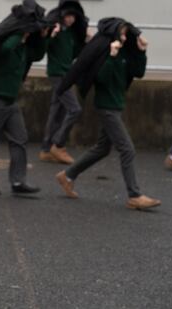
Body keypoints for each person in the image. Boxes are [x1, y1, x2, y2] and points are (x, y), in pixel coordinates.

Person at [55, 17, 160, 210]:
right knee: (127, 149)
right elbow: (101, 78)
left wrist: (142, 51)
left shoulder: (125, 53)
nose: (124, 36)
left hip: (116, 106)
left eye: (126, 33)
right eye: (121, 33)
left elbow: (138, 72)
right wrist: (111, 56)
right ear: (113, 33)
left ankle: (67, 175)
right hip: (106, 107)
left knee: (103, 148)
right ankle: (134, 195)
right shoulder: (106, 52)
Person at [0, 0, 51, 196]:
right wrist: (21, 32)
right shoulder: (3, 49)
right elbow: (7, 47)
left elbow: (39, 54)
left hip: (10, 102)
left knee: (19, 140)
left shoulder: (24, 50)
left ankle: (18, 181)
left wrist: (43, 36)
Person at [39, 0, 89, 165]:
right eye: (68, 16)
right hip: (57, 74)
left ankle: (46, 149)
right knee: (74, 109)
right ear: (62, 15)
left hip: (67, 74)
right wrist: (51, 36)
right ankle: (58, 145)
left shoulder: (71, 34)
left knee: (56, 111)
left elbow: (74, 53)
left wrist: (86, 41)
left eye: (73, 16)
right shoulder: (56, 30)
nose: (71, 19)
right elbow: (43, 49)